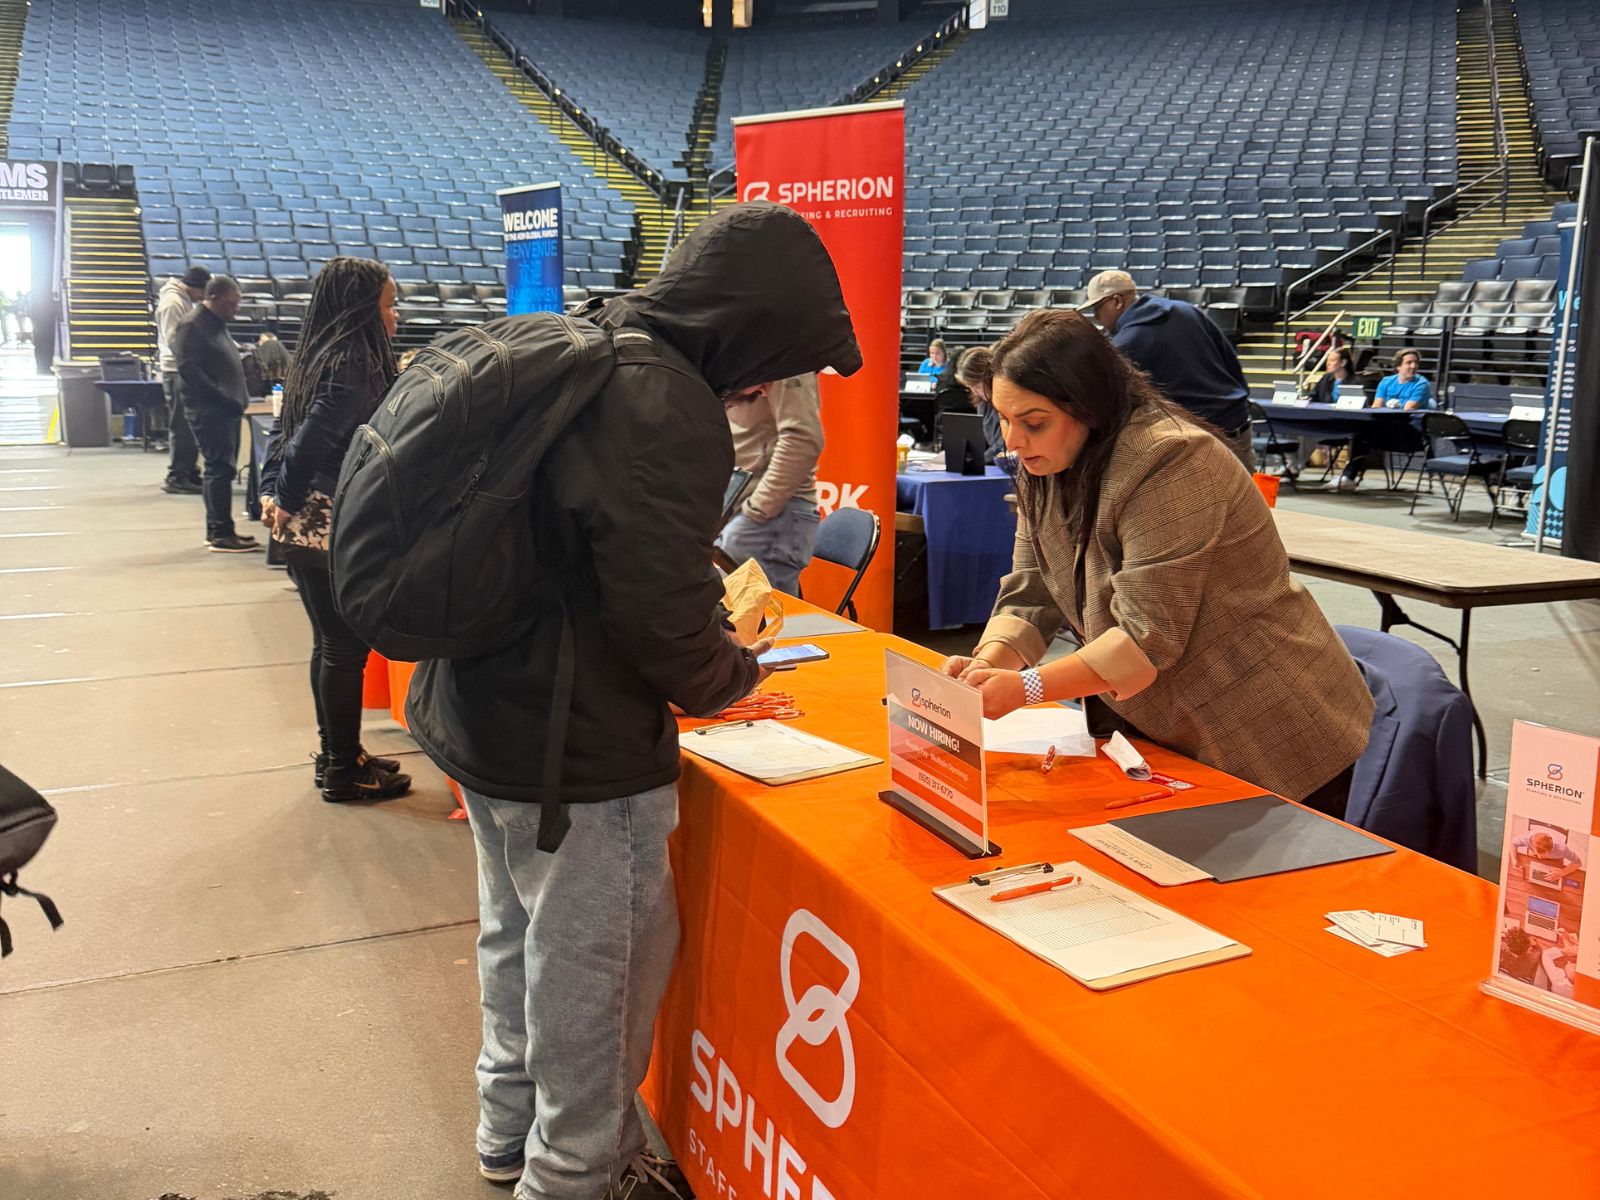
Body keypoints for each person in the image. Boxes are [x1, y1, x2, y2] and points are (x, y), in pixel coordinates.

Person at [402, 203, 861, 1198]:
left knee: (514, 935)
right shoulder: (661, 402)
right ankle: (576, 1175)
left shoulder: (593, 344)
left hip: (481, 709)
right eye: (774, 357)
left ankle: (506, 1128)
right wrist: (730, 682)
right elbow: (660, 613)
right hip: (574, 750)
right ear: (742, 325)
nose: (759, 387)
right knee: (593, 978)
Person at [941, 309, 1372, 814]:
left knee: (1262, 884)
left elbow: (1146, 637)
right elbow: (1033, 590)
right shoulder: (1048, 463)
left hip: (1267, 722)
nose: (1013, 442)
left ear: (1089, 407)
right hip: (1162, 722)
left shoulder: (1174, 461)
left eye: (1034, 423)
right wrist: (988, 666)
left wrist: (1026, 687)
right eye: (1005, 419)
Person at [260, 258, 410, 803]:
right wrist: (286, 496)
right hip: (324, 523)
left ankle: (338, 756)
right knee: (344, 649)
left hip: (303, 522)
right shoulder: (352, 365)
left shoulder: (317, 354)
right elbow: (310, 441)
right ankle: (345, 770)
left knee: (330, 645)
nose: (396, 317)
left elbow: (283, 431)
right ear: (362, 310)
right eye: (390, 305)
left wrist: (272, 492)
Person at [1080, 269, 1256, 470]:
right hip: (1238, 425)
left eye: (1097, 310)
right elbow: (1231, 362)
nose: (1097, 318)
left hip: (1199, 440)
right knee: (1249, 500)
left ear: (1117, 301)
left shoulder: (1125, 345)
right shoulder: (1188, 310)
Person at [715, 373, 824, 596]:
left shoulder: (786, 360)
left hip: (771, 514)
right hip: (741, 506)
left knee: (768, 624)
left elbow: (803, 439)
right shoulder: (739, 354)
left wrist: (758, 509)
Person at [172, 274, 259, 553]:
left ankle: (224, 529)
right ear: (214, 299)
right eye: (231, 304)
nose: (234, 310)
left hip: (225, 408)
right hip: (210, 410)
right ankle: (220, 533)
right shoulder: (192, 325)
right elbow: (189, 369)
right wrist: (222, 397)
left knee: (223, 468)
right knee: (218, 469)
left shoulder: (216, 323)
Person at [157, 265, 211, 494]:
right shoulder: (173, 303)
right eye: (202, 293)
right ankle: (177, 476)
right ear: (194, 288)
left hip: (183, 369)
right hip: (177, 370)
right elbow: (174, 340)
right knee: (181, 426)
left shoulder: (184, 300)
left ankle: (189, 471)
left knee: (190, 425)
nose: (203, 298)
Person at [955, 344, 1005, 464]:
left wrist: (975, 461)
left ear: (989, 377)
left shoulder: (1005, 404)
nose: (974, 392)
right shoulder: (982, 404)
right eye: (970, 388)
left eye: (976, 386)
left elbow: (1002, 446)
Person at [1512, 828, 1584, 880]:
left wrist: (1563, 872)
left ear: (1551, 850)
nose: (1540, 858)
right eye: (1538, 854)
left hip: (1555, 862)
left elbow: (1578, 862)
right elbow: (1513, 843)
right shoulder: (1527, 838)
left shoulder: (1562, 848)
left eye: (1544, 855)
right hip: (1532, 859)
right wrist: (1514, 860)